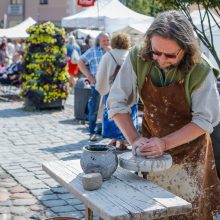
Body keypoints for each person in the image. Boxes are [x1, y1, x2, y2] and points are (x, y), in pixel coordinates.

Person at [107, 10, 220, 219]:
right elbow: (116, 103)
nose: (160, 60)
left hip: (192, 153)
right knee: (154, 212)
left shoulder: (200, 69)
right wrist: (135, 139)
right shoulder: (138, 57)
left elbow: (206, 120)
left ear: (186, 50)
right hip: (152, 153)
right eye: (156, 52)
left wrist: (165, 143)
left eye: (170, 55)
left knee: (191, 212)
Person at [96, 33, 139, 150]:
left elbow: (100, 76)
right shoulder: (131, 55)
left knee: (113, 115)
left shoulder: (108, 56)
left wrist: (102, 88)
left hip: (111, 91)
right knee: (128, 114)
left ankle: (114, 139)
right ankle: (124, 142)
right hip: (129, 92)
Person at [78, 32, 111, 141]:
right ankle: (92, 132)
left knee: (110, 109)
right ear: (98, 41)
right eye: (104, 41)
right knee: (94, 109)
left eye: (107, 40)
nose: (106, 42)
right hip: (97, 85)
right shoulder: (93, 51)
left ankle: (107, 132)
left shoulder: (112, 51)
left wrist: (110, 52)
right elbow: (80, 62)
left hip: (111, 85)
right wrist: (89, 76)